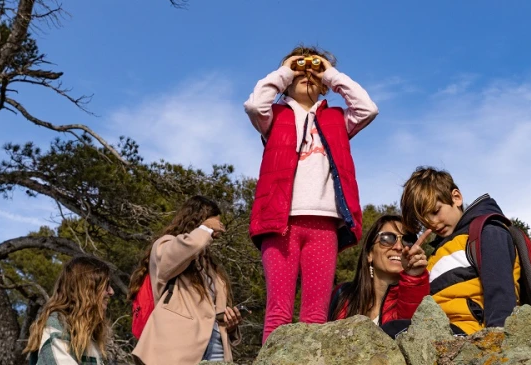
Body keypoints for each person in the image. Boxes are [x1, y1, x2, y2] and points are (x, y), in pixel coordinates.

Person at [243, 44, 379, 343]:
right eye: (298, 71)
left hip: (324, 224)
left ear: (325, 86)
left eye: (314, 72)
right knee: (278, 311)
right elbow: (254, 105)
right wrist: (285, 70)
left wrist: (330, 73)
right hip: (280, 223)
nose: (307, 75)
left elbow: (368, 109)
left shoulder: (337, 119)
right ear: (286, 80)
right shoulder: (274, 117)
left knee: (315, 314)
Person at [400, 166, 531, 336]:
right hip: (443, 333)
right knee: (393, 328)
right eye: (425, 221)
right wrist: (413, 275)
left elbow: (500, 294)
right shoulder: (436, 254)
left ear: (456, 197)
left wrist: (495, 342)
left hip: (472, 335)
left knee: (394, 331)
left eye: (436, 211)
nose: (433, 223)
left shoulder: (487, 232)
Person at [131, 196, 242, 364]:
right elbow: (182, 251)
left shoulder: (211, 267)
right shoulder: (165, 246)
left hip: (216, 348)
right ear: (198, 221)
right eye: (214, 225)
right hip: (178, 349)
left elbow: (212, 312)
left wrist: (231, 324)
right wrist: (205, 229)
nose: (218, 232)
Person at [327, 215, 431, 331]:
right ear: (369, 254)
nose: (399, 246)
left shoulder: (412, 298)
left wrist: (413, 277)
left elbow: (412, 332)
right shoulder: (342, 296)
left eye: (408, 240)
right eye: (387, 238)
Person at [24, 256, 114, 365]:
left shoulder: (86, 333)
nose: (111, 292)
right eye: (106, 286)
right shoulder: (56, 329)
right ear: (87, 290)